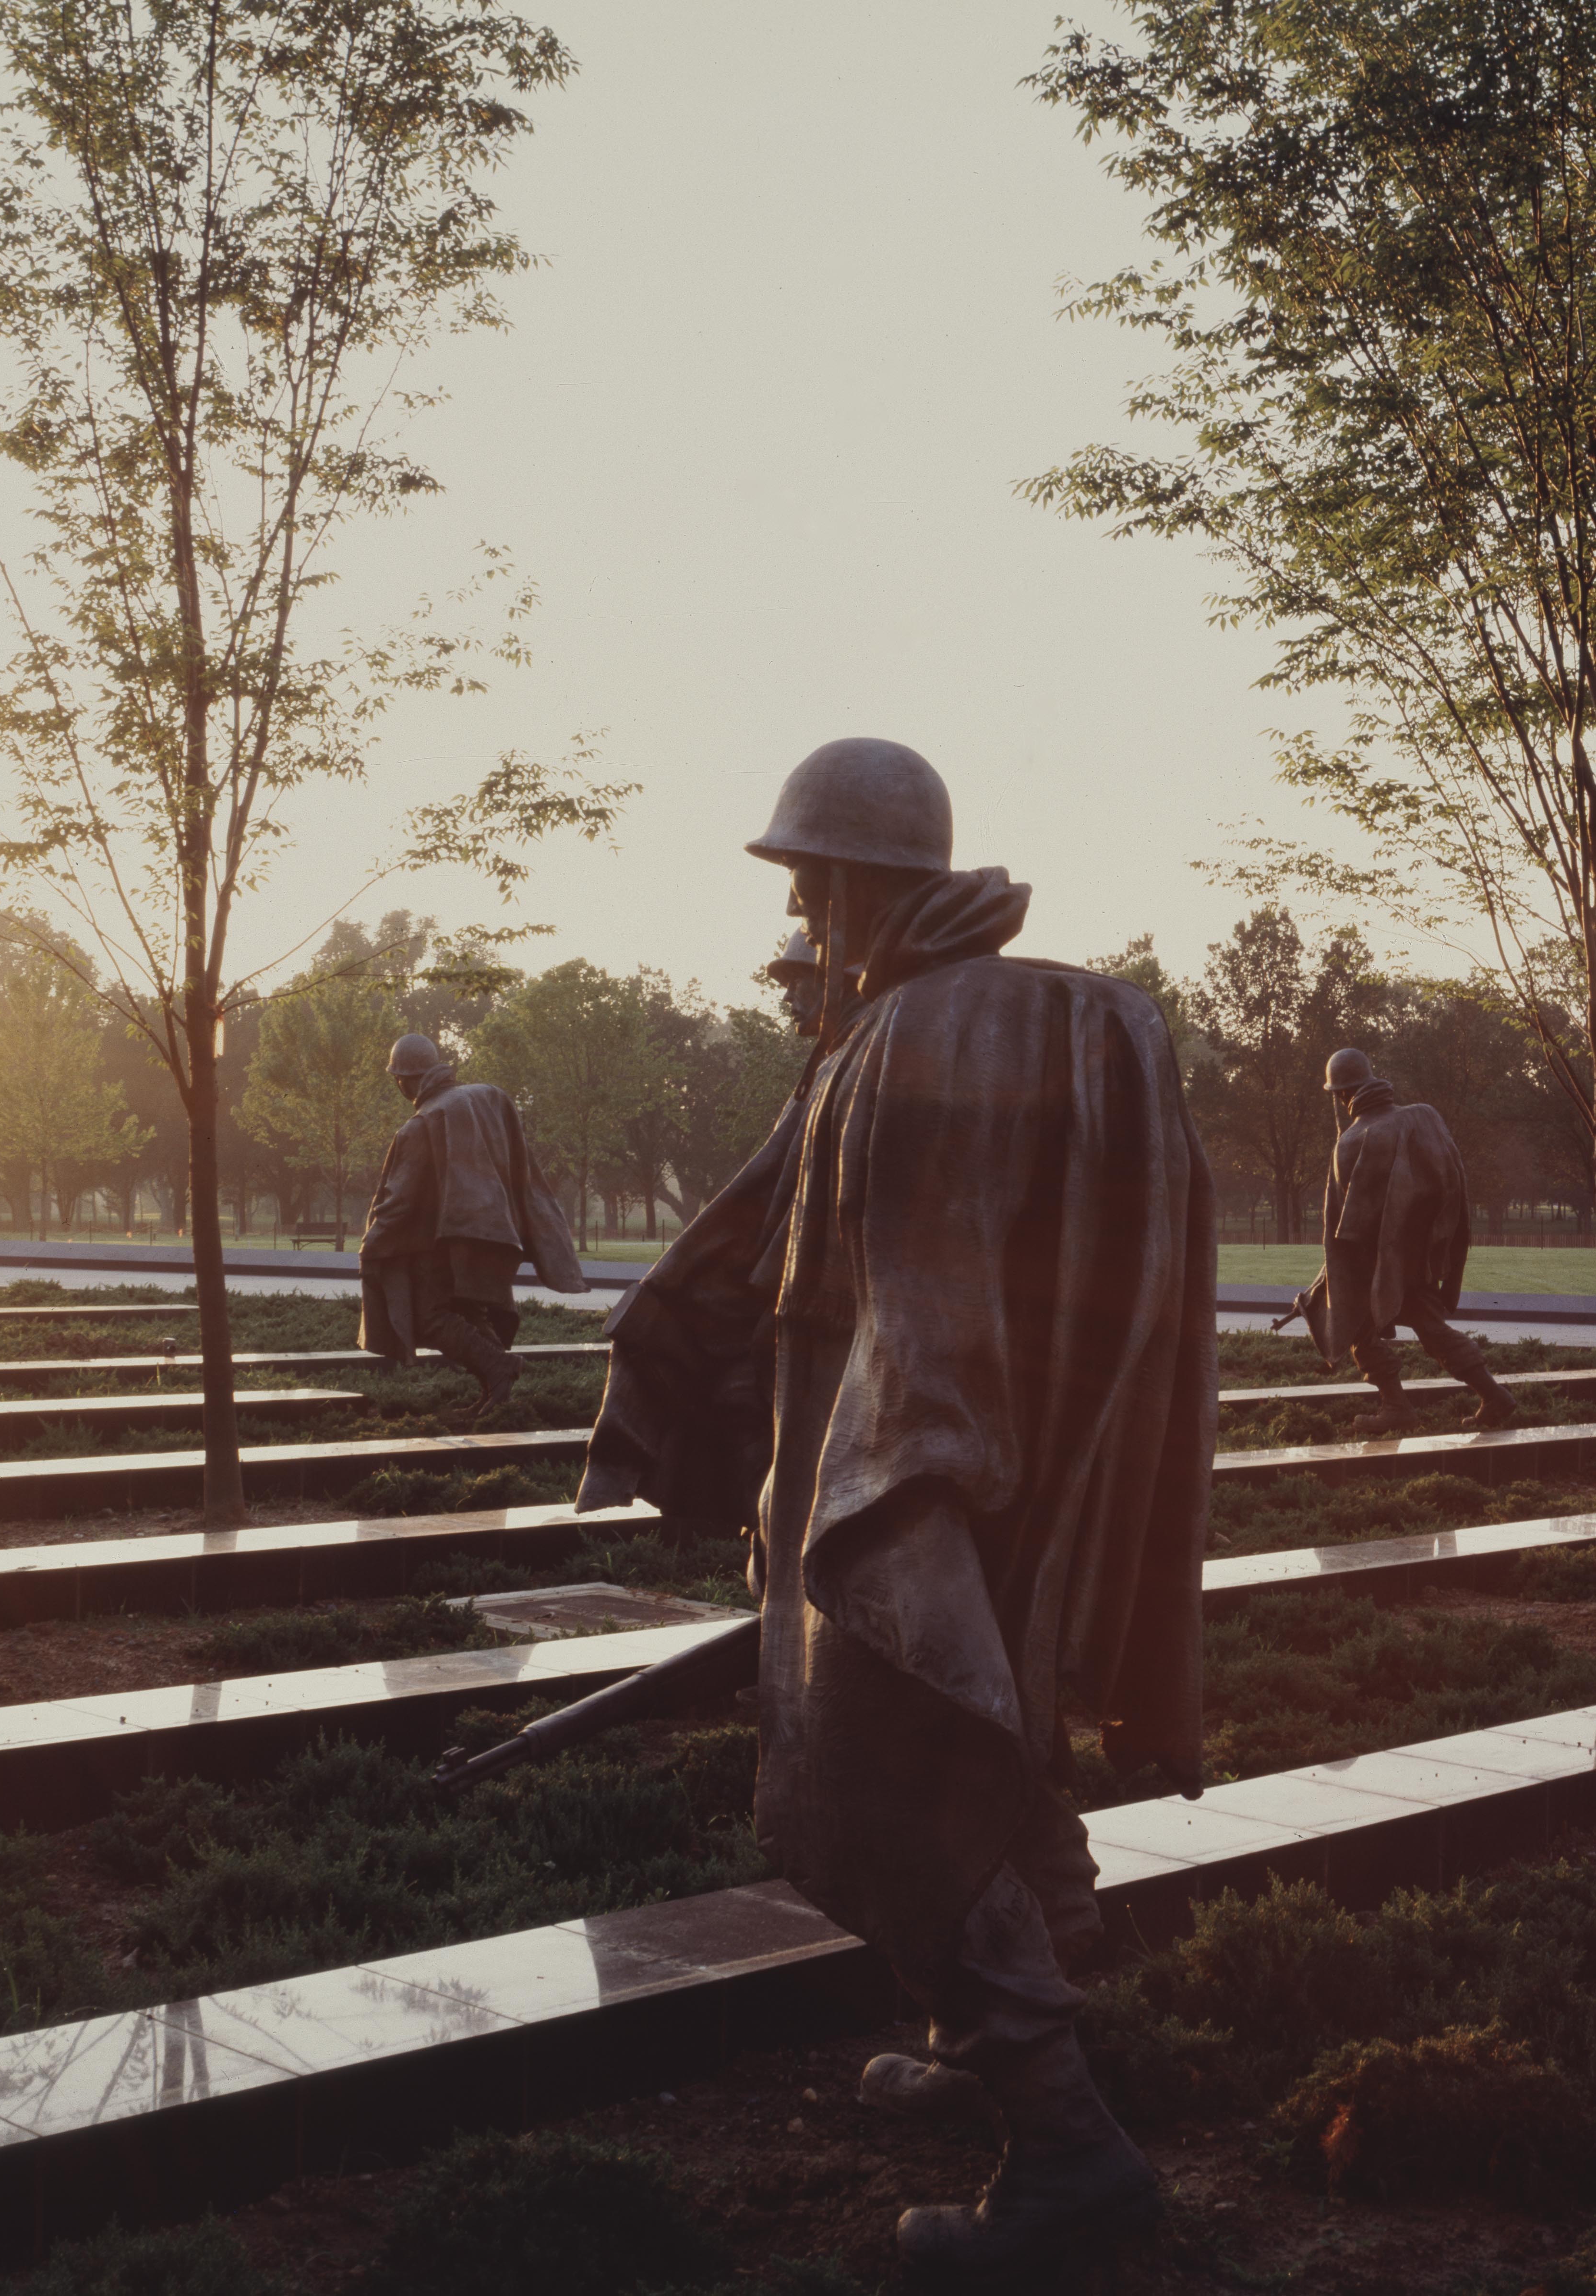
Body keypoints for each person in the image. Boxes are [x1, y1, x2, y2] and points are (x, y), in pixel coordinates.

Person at [573, 738, 1212, 2277]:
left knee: (891, 1778)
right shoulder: (927, 1023)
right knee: (1001, 1745)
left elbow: (925, 1311)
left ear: (865, 881)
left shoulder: (926, 1038)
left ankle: (1066, 2147)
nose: (801, 910)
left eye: (810, 880)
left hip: (900, 1475)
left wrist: (891, 1507)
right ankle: (992, 2024)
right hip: (925, 1462)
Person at [356, 1033, 588, 1417]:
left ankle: (499, 1368)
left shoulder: (421, 1124)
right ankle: (495, 1389)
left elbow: (397, 1204)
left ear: (404, 1078)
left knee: (432, 1317)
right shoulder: (480, 1098)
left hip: (443, 1242)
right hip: (486, 1232)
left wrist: (371, 1245)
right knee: (466, 1307)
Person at [1293, 1046, 1516, 1435]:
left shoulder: (1352, 1142)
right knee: (1431, 1327)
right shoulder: (1423, 1115)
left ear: (1341, 1094)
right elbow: (1450, 1186)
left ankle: (1397, 1406)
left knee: (1357, 1324)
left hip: (1379, 1265)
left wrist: (1325, 1289)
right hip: (1421, 1256)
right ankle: (1493, 1396)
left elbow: (1351, 1235)